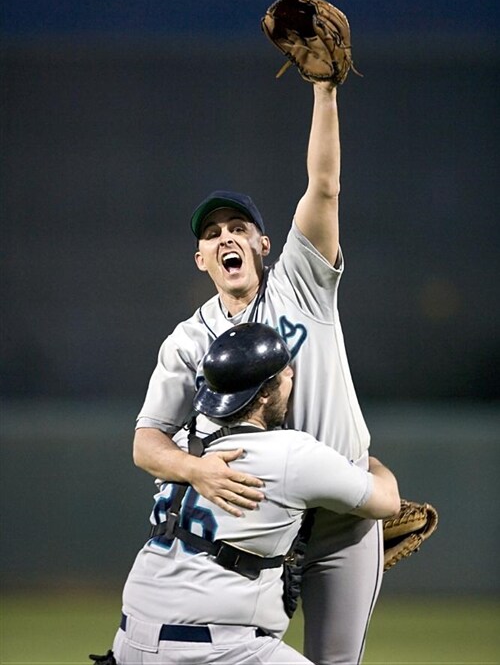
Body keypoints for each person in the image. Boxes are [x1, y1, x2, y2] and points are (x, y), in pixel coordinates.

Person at [133, 80, 381, 665]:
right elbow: (146, 443)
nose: (227, 238)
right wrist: (194, 469)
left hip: (344, 513)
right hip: (264, 522)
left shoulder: (301, 281)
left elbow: (324, 186)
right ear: (201, 260)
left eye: (238, 228)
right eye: (212, 234)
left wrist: (324, 91)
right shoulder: (190, 340)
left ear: (264, 244)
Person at [110, 323, 400, 665]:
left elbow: (146, 448)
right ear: (264, 394)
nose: (291, 376)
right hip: (212, 650)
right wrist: (372, 464)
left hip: (130, 641)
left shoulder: (183, 444)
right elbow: (387, 501)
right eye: (285, 373)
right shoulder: (291, 454)